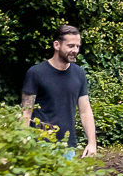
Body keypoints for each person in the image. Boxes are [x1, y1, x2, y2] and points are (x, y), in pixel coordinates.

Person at [20, 24, 97, 156]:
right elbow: (26, 112)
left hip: (67, 146)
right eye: (71, 46)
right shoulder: (36, 73)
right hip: (39, 144)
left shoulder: (79, 74)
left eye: (78, 46)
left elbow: (85, 111)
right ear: (57, 45)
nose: (75, 50)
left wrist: (92, 143)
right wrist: (22, 142)